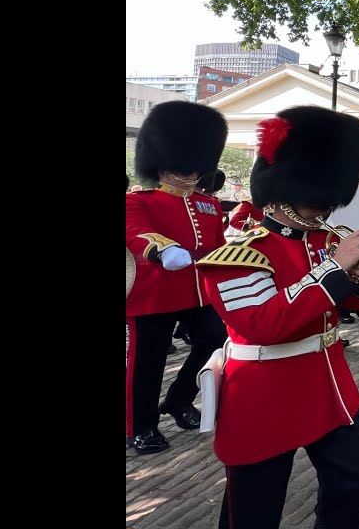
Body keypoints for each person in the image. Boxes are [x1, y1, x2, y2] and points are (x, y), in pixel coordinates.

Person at [196, 105, 359, 529]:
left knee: (352, 482)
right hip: (266, 396)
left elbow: (345, 308)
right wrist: (333, 270)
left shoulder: (322, 242)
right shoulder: (240, 255)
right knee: (255, 509)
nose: (326, 208)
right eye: (320, 197)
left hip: (330, 388)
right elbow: (264, 324)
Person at [125, 101, 230, 455]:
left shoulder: (209, 205)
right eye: (183, 167)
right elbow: (136, 233)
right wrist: (163, 249)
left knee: (215, 338)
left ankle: (179, 399)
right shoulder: (139, 201)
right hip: (153, 294)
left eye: (195, 167)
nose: (190, 174)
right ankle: (139, 426)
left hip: (197, 293)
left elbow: (217, 249)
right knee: (147, 363)